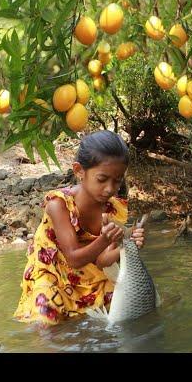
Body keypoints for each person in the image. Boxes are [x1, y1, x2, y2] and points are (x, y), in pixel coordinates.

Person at [14, 130, 146, 325]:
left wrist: (127, 247)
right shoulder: (59, 204)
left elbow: (102, 261)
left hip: (89, 272)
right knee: (45, 316)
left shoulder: (112, 208)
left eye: (117, 181)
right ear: (79, 171)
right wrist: (105, 239)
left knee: (129, 307)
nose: (110, 188)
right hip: (53, 272)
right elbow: (73, 258)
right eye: (102, 179)